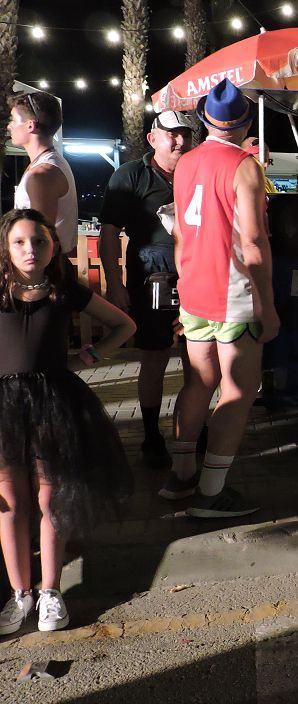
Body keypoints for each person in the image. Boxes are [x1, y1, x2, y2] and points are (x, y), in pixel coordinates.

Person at [0, 209, 135, 636]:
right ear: (5, 247)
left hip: (53, 403)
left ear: (53, 246)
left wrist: (88, 357)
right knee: (10, 504)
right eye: (20, 242)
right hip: (3, 406)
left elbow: (123, 325)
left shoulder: (63, 291)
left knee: (50, 499)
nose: (30, 250)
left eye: (39, 241)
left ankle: (51, 591)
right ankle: (19, 592)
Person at [166, 79, 279, 518]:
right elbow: (252, 242)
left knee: (198, 383)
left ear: (205, 120)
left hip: (194, 290)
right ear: (245, 121)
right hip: (234, 294)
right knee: (239, 389)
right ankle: (211, 493)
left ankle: (181, 476)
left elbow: (180, 233)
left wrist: (184, 280)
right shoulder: (245, 167)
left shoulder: (185, 163)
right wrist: (267, 306)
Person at [99, 111, 195, 469]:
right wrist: (114, 283)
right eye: (172, 134)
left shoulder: (195, 171)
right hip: (149, 276)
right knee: (154, 358)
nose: (180, 141)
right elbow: (109, 232)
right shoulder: (131, 174)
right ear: (153, 138)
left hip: (194, 276)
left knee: (196, 359)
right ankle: (153, 435)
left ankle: (194, 430)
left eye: (185, 134)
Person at [8, 92, 78, 258]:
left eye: (13, 120)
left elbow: (38, 239)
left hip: (46, 273)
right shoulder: (49, 164)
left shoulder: (42, 174)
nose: (9, 126)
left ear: (30, 125)